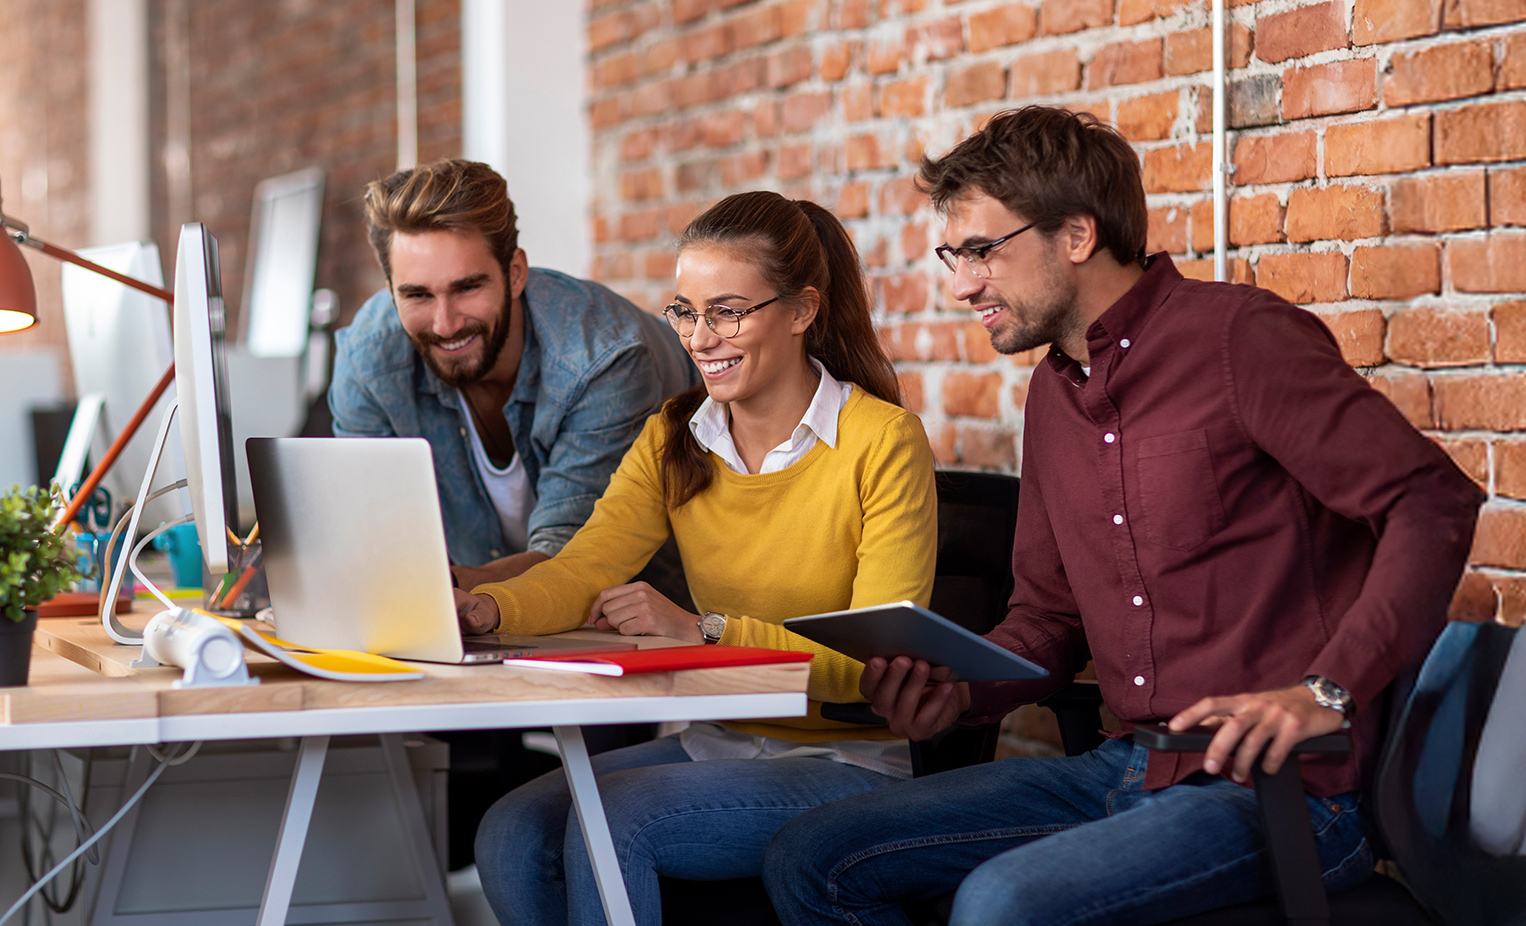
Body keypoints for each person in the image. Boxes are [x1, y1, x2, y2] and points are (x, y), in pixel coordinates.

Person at [761, 106, 1484, 926]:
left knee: (1002, 905)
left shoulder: (1240, 339)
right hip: (1126, 765)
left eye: (981, 251)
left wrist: (1329, 690)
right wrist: (960, 692)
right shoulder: (1051, 395)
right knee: (814, 856)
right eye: (950, 256)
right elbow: (1048, 616)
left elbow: (1431, 500)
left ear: (1076, 234)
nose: (961, 284)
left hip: (1289, 793)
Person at [458, 190, 938, 926]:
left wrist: (703, 631)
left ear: (802, 310)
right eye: (684, 311)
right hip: (718, 744)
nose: (699, 336)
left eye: (727, 310)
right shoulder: (674, 436)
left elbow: (868, 665)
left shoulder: (883, 443)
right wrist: (486, 607)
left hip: (845, 763)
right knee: (512, 832)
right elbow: (585, 568)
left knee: (615, 821)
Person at [329, 158, 697, 590]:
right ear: (390, 291)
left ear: (516, 273)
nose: (445, 324)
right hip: (487, 618)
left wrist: (442, 592)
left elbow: (572, 558)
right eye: (417, 295)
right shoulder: (368, 356)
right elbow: (377, 535)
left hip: (659, 606)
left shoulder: (605, 358)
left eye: (467, 287)